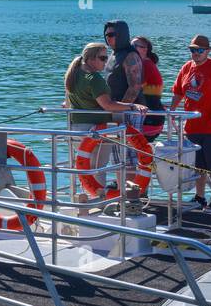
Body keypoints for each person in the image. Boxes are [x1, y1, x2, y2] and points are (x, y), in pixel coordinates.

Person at [63, 42, 149, 196]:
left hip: (76, 129)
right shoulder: (94, 78)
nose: (105, 61)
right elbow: (107, 105)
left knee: (87, 168)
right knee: (99, 169)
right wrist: (132, 106)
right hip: (95, 129)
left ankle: (88, 199)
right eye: (102, 58)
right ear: (90, 58)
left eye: (106, 57)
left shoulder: (74, 74)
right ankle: (99, 203)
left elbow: (68, 103)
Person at [168, 34, 211, 212]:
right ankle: (200, 197)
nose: (196, 53)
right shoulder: (186, 68)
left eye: (199, 50)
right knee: (197, 166)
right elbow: (178, 92)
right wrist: (172, 111)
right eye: (193, 50)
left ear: (207, 51)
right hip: (192, 126)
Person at [131, 35, 165, 141]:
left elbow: (134, 87)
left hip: (149, 118)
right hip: (153, 116)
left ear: (145, 49)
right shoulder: (147, 63)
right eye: (130, 44)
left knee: (138, 152)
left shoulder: (145, 64)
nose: (130, 47)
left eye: (134, 45)